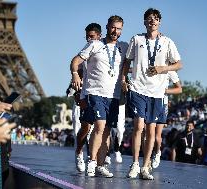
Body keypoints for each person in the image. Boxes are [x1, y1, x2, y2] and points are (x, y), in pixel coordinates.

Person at [122, 8, 182, 180]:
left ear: (160, 22)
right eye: (149, 19)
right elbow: (127, 61)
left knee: (151, 131)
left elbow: (179, 64)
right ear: (144, 22)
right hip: (138, 88)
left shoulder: (167, 42)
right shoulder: (137, 39)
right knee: (138, 126)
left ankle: (145, 166)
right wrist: (123, 79)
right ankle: (134, 163)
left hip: (157, 93)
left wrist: (164, 68)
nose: (152, 21)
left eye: (155, 19)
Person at [71, 15, 128, 177]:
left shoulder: (124, 47)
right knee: (98, 126)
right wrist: (75, 74)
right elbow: (75, 61)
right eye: (113, 27)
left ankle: (101, 164)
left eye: (119, 28)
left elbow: (134, 61)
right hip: (94, 92)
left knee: (107, 131)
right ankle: (91, 160)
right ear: (107, 27)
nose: (115, 31)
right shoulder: (95, 45)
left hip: (113, 96)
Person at [68, 23, 102, 172]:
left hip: (102, 94)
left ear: (99, 36)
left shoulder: (106, 49)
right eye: (87, 36)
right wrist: (77, 93)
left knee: (101, 128)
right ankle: (79, 152)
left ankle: (95, 159)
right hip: (86, 93)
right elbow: (77, 71)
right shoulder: (86, 51)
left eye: (92, 36)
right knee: (86, 127)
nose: (89, 39)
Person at [152, 71, 183, 168]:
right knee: (147, 133)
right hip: (149, 101)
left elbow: (179, 89)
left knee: (157, 135)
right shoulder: (151, 65)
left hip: (162, 104)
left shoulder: (170, 71)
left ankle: (157, 152)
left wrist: (165, 91)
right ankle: (147, 158)